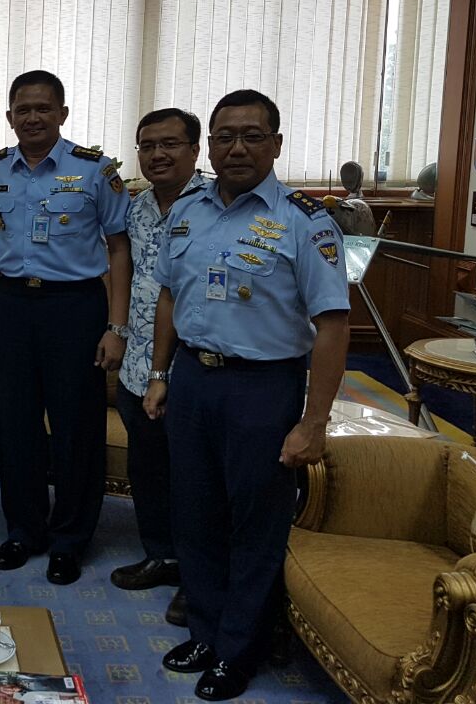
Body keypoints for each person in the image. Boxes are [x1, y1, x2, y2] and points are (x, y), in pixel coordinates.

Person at [147, 89, 349, 701]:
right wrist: (159, 373)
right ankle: (207, 632)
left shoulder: (305, 222)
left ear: (276, 144)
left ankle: (240, 647)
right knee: (197, 515)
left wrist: (314, 421)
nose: (237, 147)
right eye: (225, 136)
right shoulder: (188, 212)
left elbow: (334, 325)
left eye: (252, 136)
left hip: (262, 388)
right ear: (208, 144)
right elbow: (168, 297)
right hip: (193, 381)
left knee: (254, 525)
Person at [0, 70, 132, 586]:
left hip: (75, 307)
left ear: (63, 114)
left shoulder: (95, 171)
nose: (33, 117)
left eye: (44, 108)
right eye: (23, 109)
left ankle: (70, 538)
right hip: (15, 306)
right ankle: (24, 531)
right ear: (9, 117)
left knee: (75, 427)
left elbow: (118, 248)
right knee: (18, 425)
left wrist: (116, 325)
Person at [110, 108, 207, 626]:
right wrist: (120, 332)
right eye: (147, 146)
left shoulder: (219, 204)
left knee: (193, 475)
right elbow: (122, 264)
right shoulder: (137, 206)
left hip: (191, 367)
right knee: (147, 467)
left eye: (170, 144)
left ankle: (197, 575)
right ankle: (161, 554)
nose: (157, 155)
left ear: (195, 150)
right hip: (137, 365)